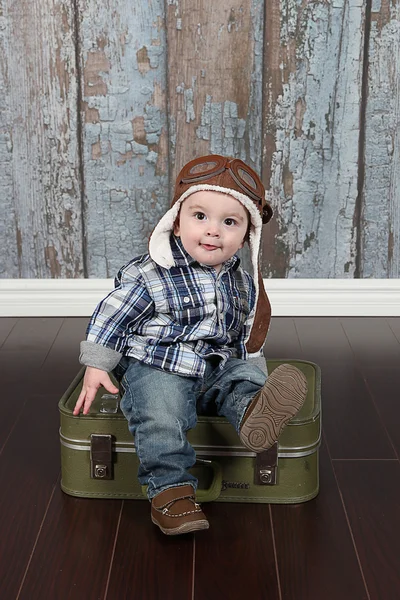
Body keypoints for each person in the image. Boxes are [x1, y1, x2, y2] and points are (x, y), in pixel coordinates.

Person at [73, 154, 308, 535]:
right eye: (200, 217)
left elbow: (247, 338)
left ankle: (253, 413)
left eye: (229, 222)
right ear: (176, 221)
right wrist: (97, 363)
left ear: (247, 234)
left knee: (239, 377)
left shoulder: (243, 284)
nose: (213, 231)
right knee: (161, 413)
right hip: (158, 366)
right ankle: (171, 492)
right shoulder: (153, 272)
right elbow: (112, 314)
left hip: (212, 368)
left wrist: (253, 373)